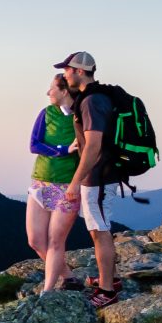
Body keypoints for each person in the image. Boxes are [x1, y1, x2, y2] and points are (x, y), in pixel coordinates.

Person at [56, 51, 120, 306]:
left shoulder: (92, 101)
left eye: (67, 70)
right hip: (101, 175)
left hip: (98, 177)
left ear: (79, 71)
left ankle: (107, 291)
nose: (64, 74)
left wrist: (75, 181)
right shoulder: (94, 98)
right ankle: (110, 279)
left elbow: (94, 146)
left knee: (100, 232)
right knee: (98, 229)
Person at [26, 73, 81, 293]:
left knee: (56, 240)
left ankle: (47, 291)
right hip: (41, 183)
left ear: (64, 91)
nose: (48, 92)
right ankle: (68, 276)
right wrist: (62, 150)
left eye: (52, 88)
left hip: (68, 187)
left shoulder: (81, 117)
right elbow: (34, 145)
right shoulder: (46, 113)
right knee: (36, 241)